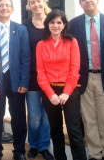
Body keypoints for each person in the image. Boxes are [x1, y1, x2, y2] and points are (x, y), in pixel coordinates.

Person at [69, 0, 104, 160]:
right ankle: (95, 153)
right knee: (89, 119)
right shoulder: (74, 24)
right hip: (84, 78)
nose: (87, 0)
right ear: (80, 3)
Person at [36, 10, 87, 160]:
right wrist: (50, 94)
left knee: (74, 129)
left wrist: (67, 92)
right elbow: (40, 72)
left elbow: (75, 69)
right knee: (56, 129)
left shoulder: (72, 42)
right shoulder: (41, 45)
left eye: (59, 22)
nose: (56, 25)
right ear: (48, 24)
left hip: (69, 90)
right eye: (52, 22)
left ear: (64, 25)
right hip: (49, 91)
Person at [0, 0, 31, 160]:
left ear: (12, 9)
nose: (4, 8)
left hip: (17, 80)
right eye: (1, 5)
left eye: (7, 5)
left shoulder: (20, 29)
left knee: (19, 117)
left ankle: (19, 151)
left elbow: (26, 57)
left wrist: (24, 81)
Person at [23, 0, 53, 160]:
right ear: (29, 5)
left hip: (52, 77)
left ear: (44, 2)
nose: (36, 5)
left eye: (38, 1)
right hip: (33, 77)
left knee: (47, 116)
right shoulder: (25, 26)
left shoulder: (53, 22)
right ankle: (33, 144)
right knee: (34, 117)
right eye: (32, 2)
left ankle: (43, 146)